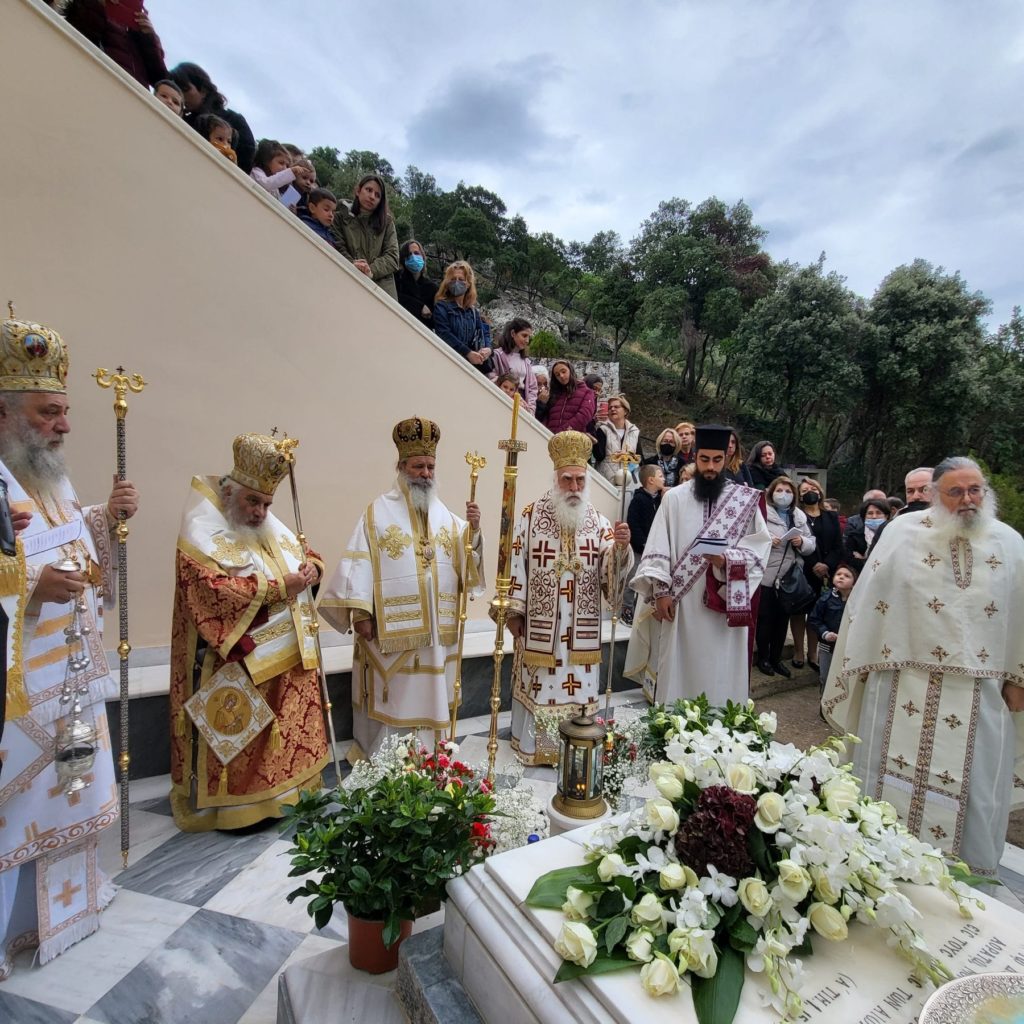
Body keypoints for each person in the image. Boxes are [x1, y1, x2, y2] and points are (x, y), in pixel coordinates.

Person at [0, 306, 138, 972]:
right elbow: (21, 569)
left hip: (71, 687)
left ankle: (61, 911)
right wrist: (25, 590)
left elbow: (70, 540)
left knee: (66, 794)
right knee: (17, 808)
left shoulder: (48, 482)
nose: (64, 424)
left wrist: (104, 520)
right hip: (19, 701)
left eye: (63, 411)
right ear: (4, 414)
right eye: (47, 411)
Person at [823, 457, 1024, 878]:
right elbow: (868, 603)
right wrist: (859, 665)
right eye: (956, 492)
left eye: (975, 490)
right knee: (887, 783)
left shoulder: (1010, 543)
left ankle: (967, 882)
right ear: (935, 496)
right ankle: (879, 870)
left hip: (980, 694)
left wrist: (1018, 676)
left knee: (978, 789)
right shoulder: (901, 534)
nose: (968, 500)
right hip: (900, 684)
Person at [169, 433, 329, 831]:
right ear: (229, 493)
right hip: (239, 657)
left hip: (288, 649)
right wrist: (280, 589)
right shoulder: (202, 531)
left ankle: (292, 794)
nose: (260, 513)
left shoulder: (267, 524)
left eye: (266, 504)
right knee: (250, 741)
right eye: (252, 502)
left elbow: (300, 552)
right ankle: (244, 808)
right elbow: (210, 591)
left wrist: (313, 570)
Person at [318, 418, 484, 759]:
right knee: (396, 694)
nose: (425, 473)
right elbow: (358, 563)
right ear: (402, 466)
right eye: (418, 466)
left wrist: (475, 532)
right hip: (391, 635)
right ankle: (388, 759)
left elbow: (467, 565)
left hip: (436, 635)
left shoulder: (449, 517)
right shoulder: (376, 513)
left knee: (431, 693)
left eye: (430, 466)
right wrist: (361, 612)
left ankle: (430, 756)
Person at [505, 431, 631, 764]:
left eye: (579, 480)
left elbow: (610, 569)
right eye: (567, 480)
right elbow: (516, 562)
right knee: (541, 682)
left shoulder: (599, 521)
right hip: (541, 627)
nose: (574, 487)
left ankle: (575, 748)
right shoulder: (532, 516)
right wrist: (514, 612)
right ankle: (536, 748)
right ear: (556, 478)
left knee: (577, 683)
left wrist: (621, 549)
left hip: (581, 629)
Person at [625, 425, 771, 705]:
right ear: (695, 457)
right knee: (678, 671)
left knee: (720, 672)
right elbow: (658, 546)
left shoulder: (744, 500)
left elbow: (759, 550)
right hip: (682, 606)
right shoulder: (675, 498)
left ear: (726, 460)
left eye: (717, 460)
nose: (710, 467)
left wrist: (727, 560)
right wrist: (661, 592)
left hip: (723, 606)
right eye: (704, 459)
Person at [754, 476, 815, 678]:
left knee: (782, 621)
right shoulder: (762, 513)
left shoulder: (799, 516)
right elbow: (750, 537)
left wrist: (801, 542)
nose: (784, 495)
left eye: (788, 491)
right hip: (766, 575)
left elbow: (811, 543)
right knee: (765, 619)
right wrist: (767, 539)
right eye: (779, 490)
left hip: (789, 577)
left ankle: (776, 658)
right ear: (771, 493)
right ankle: (763, 658)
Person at [790, 477, 842, 671]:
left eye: (812, 488)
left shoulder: (831, 516)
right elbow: (796, 543)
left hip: (825, 574)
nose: (809, 492)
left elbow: (838, 546)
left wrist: (827, 565)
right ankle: (797, 651)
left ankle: (812, 653)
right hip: (803, 570)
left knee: (816, 613)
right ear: (799, 496)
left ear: (819, 492)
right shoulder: (796, 516)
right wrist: (814, 564)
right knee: (798, 613)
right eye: (804, 490)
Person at [170, 62, 256, 173]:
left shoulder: (235, 121)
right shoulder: (181, 120)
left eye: (185, 89)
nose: (180, 95)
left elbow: (244, 167)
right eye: (177, 90)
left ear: (204, 90)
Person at [63, 0, 167, 89]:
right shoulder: (92, 10)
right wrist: (97, 3)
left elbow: (161, 81)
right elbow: (81, 38)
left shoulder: (140, 33)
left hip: (136, 100)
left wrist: (149, 37)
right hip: (99, 84)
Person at [332, 174, 400, 299]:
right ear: (358, 190)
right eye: (369, 190)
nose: (372, 196)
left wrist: (371, 270)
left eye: (377, 195)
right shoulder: (339, 217)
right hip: (348, 282)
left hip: (382, 291)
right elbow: (337, 246)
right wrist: (354, 266)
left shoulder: (387, 223)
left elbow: (393, 257)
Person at [623, 464, 665, 624]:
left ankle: (640, 609)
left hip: (652, 549)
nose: (664, 479)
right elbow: (633, 523)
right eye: (660, 476)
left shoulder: (661, 499)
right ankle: (626, 609)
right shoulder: (639, 499)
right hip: (639, 549)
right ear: (651, 480)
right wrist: (642, 543)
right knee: (632, 579)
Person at [433, 262, 492, 372]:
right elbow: (444, 333)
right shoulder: (441, 306)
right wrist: (467, 352)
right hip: (447, 362)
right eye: (453, 279)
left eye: (461, 279)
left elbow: (484, 331)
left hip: (467, 367)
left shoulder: (473, 311)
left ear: (468, 283)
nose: (456, 282)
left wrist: (488, 348)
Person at [808, 562, 855, 692]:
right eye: (838, 574)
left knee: (844, 678)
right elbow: (814, 619)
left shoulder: (858, 601)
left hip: (848, 647)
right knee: (825, 676)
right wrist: (825, 633)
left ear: (854, 583)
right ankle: (824, 704)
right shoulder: (826, 598)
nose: (841, 577)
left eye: (847, 576)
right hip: (827, 646)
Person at [490, 319, 538, 413]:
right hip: (503, 402)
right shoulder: (497, 355)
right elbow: (491, 378)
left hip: (523, 406)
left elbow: (533, 388)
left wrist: (530, 409)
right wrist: (512, 395)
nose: (527, 340)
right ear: (513, 333)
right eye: (524, 335)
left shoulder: (526, 361)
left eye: (529, 337)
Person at [595, 395, 640, 487]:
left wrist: (629, 455)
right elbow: (599, 456)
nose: (612, 409)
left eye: (616, 407)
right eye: (610, 407)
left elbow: (640, 458)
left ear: (626, 411)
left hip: (627, 480)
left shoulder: (634, 431)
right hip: (606, 479)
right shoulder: (602, 429)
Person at [540, 361, 596, 434]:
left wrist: (561, 433)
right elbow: (546, 418)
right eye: (557, 375)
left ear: (570, 370)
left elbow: (583, 417)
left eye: (563, 371)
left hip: (572, 440)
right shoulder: (554, 394)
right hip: (551, 439)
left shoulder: (587, 392)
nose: (561, 376)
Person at [394, 240, 437, 330]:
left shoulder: (432, 288)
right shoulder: (396, 279)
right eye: (409, 255)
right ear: (403, 259)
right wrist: (419, 307)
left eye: (416, 253)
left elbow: (434, 319)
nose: (413, 257)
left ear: (423, 256)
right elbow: (394, 297)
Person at [844, 496, 890, 568]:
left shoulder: (893, 534)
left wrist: (864, 559)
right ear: (864, 517)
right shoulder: (854, 536)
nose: (874, 516)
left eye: (878, 513)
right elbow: (849, 559)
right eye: (870, 513)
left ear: (886, 516)